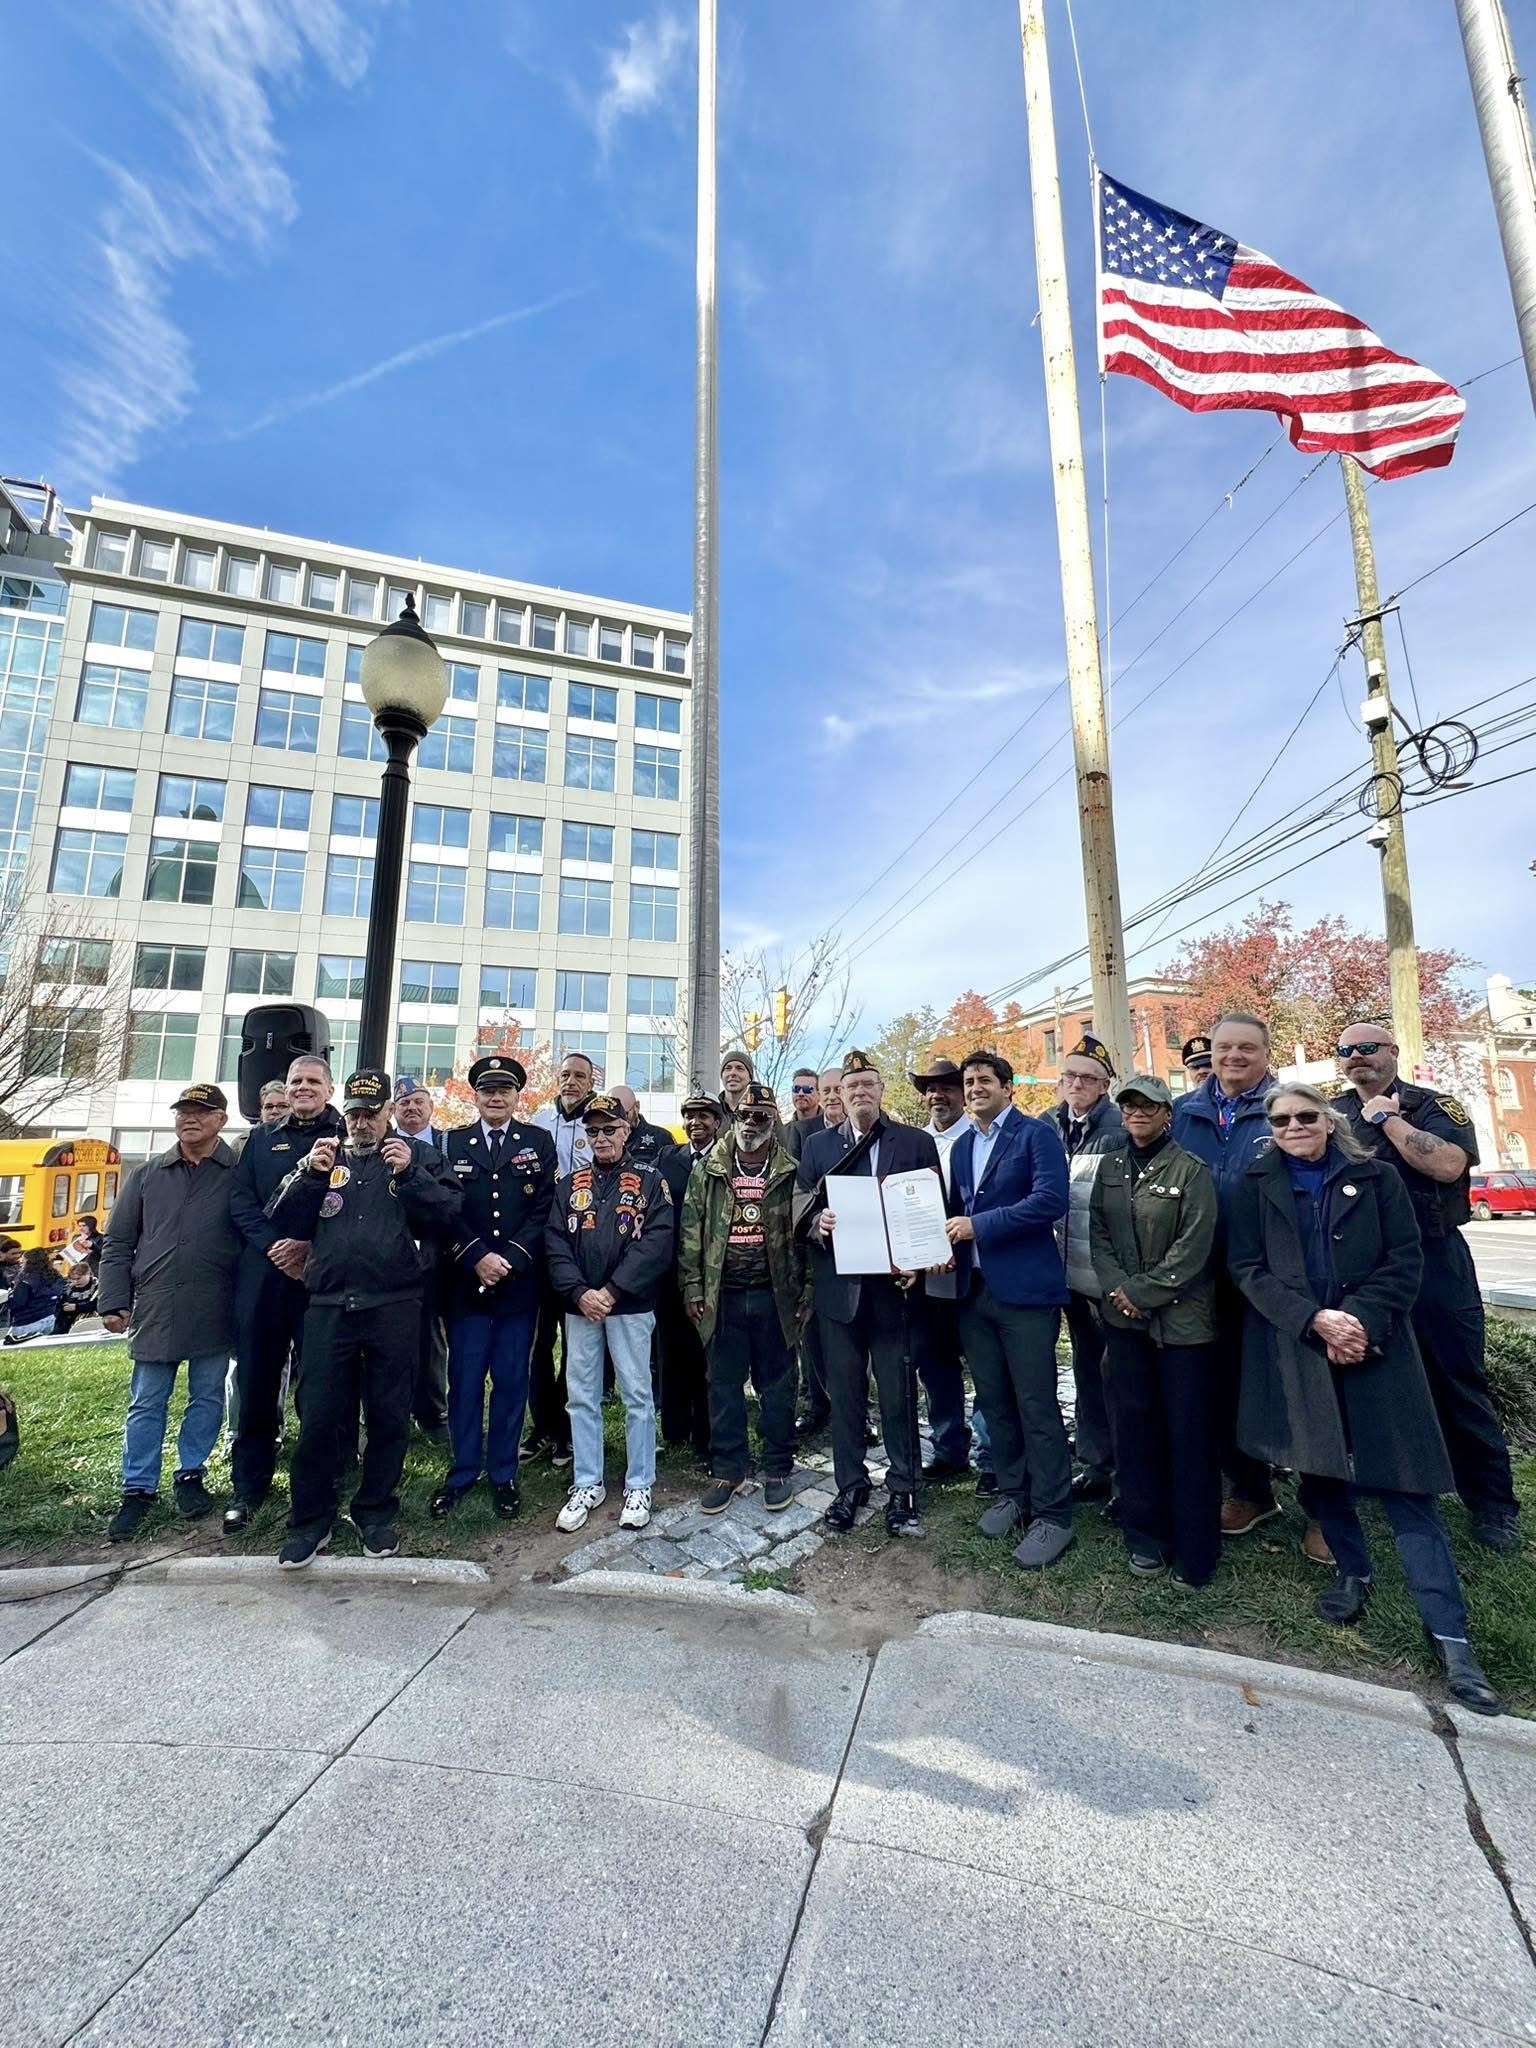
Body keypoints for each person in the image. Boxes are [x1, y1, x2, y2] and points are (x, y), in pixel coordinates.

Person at [1228, 1082, 1501, 1716]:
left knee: (1409, 1488)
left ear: (1327, 1121)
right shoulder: (1256, 1182)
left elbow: (1405, 1260)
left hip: (1374, 1346)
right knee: (1321, 1471)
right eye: (1281, 1119)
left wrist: (1357, 1321)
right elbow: (1247, 1268)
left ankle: (1453, 1639)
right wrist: (1312, 1321)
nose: (1294, 1125)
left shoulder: (1376, 1178)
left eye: (1305, 1115)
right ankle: (1354, 1571)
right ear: (1271, 1128)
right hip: (1300, 1347)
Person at [1336, 1023, 1519, 1553]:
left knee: (1458, 1382)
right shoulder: (1333, 1113)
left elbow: (1446, 1164)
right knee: (1371, 1381)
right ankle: (1386, 1482)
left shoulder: (1433, 1106)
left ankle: (1491, 1504)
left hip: (1436, 1264)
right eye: (1346, 1051)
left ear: (1394, 1052)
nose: (1356, 1058)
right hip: (1368, 1271)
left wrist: (1388, 1119)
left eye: (1368, 1048)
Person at [269, 1068, 462, 1568]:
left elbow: (448, 1215)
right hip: (330, 1307)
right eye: (354, 1113)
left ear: (388, 1115)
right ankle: (310, 1520)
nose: (361, 1123)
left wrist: (410, 1176)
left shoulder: (419, 1156)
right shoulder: (324, 1158)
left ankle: (374, 1510)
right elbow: (284, 1219)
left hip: (393, 1307)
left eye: (371, 1114)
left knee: (388, 1414)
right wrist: (309, 1176)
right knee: (318, 1417)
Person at [796, 1050, 941, 1536]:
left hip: (894, 1292)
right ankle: (850, 1485)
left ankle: (904, 1488)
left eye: (868, 1085)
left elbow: (931, 1210)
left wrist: (919, 1263)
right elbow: (799, 1206)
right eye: (850, 1086)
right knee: (847, 1396)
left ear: (882, 1092)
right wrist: (820, 1222)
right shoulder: (818, 1146)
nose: (860, 1092)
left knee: (899, 1395)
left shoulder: (916, 1143)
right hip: (840, 1293)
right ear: (839, 1094)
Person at [1088, 1075, 1221, 1586]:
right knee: (1135, 1428)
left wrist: (1143, 1291)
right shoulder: (1112, 1167)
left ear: (1169, 1113)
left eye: (1149, 1105)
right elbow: (1097, 1232)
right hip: (1126, 1324)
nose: (1138, 1113)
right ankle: (1144, 1535)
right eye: (1130, 1105)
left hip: (1183, 1324)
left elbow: (1195, 1244)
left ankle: (1194, 1549)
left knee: (1188, 1435)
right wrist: (1121, 1289)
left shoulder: (1191, 1171)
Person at [945, 1051, 1073, 1569]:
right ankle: (1014, 1493)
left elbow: (1050, 1201)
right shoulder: (960, 1148)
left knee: (1037, 1405)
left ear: (1008, 1087)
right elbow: (952, 1216)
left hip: (1025, 1294)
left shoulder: (1034, 1135)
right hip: (974, 1292)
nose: (974, 1087)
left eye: (984, 1081)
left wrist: (982, 1225)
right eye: (968, 1081)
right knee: (994, 1402)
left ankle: (1053, 1515)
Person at [98, 1083, 241, 1542]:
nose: (189, 1119)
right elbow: (118, 1242)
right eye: (183, 1111)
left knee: (207, 1396)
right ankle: (138, 1488)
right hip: (157, 1304)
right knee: (147, 1401)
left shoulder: (238, 1171)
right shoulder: (147, 1174)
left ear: (221, 1119)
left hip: (215, 1303)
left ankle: (191, 1475)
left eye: (201, 1111)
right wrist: (113, 1300)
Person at [1172, 1013, 1287, 1538]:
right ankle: (1248, 1490)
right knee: (1217, 1385)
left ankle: (1323, 1501)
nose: (1233, 1057)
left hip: (1272, 1274)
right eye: (1224, 1048)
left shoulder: (1288, 1111)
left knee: (1287, 1384)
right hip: (1200, 1275)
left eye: (1247, 1048)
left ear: (1266, 1053)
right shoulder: (1182, 1114)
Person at [224, 1054, 347, 1534]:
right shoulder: (259, 1139)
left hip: (321, 1275)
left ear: (329, 1088)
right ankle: (248, 1485)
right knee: (256, 1379)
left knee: (321, 1383)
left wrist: (311, 1246)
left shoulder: (348, 1136)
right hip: (265, 1276)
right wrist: (274, 1245)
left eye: (313, 1080)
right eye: (296, 1080)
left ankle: (323, 1477)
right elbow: (241, 1202)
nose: (303, 1087)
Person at [431, 1055, 556, 1521]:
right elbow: (446, 1209)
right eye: (487, 1090)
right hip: (466, 1284)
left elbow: (544, 1209)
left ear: (517, 1096)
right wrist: (477, 1256)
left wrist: (511, 1259)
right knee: (463, 1383)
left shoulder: (538, 1142)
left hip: (518, 1285)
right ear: (476, 1096)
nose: (496, 1097)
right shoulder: (451, 1142)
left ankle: (503, 1473)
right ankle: (462, 1471)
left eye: (504, 1090)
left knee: (510, 1381)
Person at [545, 1092, 675, 1533]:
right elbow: (555, 1244)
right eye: (593, 1130)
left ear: (626, 1131)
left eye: (609, 1129)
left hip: (629, 1305)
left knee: (637, 1395)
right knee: (581, 1395)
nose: (601, 1137)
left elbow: (657, 1243)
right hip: (580, 1307)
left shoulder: (651, 1179)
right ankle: (588, 1481)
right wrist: (580, 1292)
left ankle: (640, 1483)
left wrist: (613, 1291)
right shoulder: (567, 1184)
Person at [681, 1082, 809, 1513]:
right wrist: (693, 1286)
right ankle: (728, 1469)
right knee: (722, 1386)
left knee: (778, 1385)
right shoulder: (710, 1168)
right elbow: (690, 1230)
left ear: (774, 1121)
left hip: (776, 1295)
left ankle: (777, 1466)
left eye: (762, 1117)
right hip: (724, 1294)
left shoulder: (792, 1169)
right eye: (745, 1116)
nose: (752, 1124)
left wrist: (806, 1290)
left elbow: (807, 1238)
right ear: (733, 1119)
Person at [1049, 1033, 1127, 1505]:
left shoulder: (1119, 1128)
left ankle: (1126, 1474)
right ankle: (1096, 1464)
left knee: (1117, 1376)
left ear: (1104, 1085)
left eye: (1088, 1077)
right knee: (1084, 1370)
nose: (1077, 1083)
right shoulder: (1048, 1126)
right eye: (1070, 1076)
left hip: (1108, 1279)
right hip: (1066, 1275)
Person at [526, 1049, 597, 1464]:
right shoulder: (537, 1124)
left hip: (581, 1251)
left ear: (591, 1083)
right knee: (538, 1344)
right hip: (539, 1249)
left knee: (577, 1348)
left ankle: (570, 1431)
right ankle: (543, 1425)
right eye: (566, 1075)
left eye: (580, 1077)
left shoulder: (597, 1125)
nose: (571, 1082)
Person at [908, 1056, 976, 1482]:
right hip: (927, 1276)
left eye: (947, 1087)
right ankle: (949, 1448)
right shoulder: (914, 1143)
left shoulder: (980, 1136)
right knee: (935, 1364)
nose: (938, 1095)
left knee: (984, 1365)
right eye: (930, 1089)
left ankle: (989, 1454)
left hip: (974, 1271)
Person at [656, 1094, 724, 1461]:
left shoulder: (727, 1160)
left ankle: (707, 1434)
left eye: (703, 1116)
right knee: (672, 1349)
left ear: (717, 1122)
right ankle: (675, 1428)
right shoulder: (669, 1159)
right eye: (689, 1117)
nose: (695, 1122)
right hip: (670, 1271)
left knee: (707, 1354)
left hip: (711, 1272)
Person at [391, 1074, 451, 1445]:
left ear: (431, 1108)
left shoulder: (448, 1143)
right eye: (404, 1104)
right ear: (393, 1111)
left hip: (435, 1254)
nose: (412, 1109)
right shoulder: (380, 1144)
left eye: (419, 1103)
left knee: (431, 1338)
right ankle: (390, 1411)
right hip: (388, 1256)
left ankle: (432, 1412)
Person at [2, 1250, 66, 1344]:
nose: (20, 1262)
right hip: (49, 1318)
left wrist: (9, 1298)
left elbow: (18, 1302)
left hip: (27, 1322)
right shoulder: (57, 1276)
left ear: (30, 1262)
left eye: (23, 1260)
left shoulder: (26, 1279)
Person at [610, 1084, 673, 1168]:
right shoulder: (601, 1138)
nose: (619, 1121)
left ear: (637, 1106)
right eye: (613, 1116)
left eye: (625, 1114)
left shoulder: (661, 1137)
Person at [782, 1069, 824, 1162]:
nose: (800, 1093)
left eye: (807, 1089)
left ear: (819, 1095)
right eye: (796, 1089)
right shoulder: (782, 1133)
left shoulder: (831, 1128)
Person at [53, 1261, 100, 1336]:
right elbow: (58, 1305)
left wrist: (77, 1307)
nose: (75, 1281)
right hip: (66, 1323)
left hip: (90, 1322)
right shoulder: (67, 1288)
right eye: (72, 1279)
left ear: (88, 1274)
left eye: (78, 1278)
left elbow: (98, 1304)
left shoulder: (98, 1286)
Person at [720, 1051, 757, 1118]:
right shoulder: (712, 1111)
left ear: (750, 1077)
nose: (732, 1073)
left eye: (739, 1068)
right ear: (721, 1076)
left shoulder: (763, 1109)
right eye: (728, 1068)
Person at [819, 1067, 846, 1131]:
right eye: (826, 1091)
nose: (832, 1097)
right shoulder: (803, 1130)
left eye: (838, 1090)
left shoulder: (863, 1125)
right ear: (819, 1096)